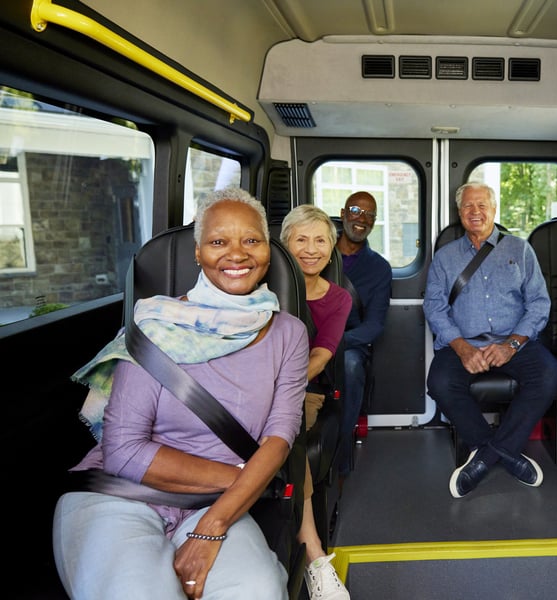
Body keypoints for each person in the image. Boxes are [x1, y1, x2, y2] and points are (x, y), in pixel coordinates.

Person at [53, 187, 309, 600]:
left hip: (216, 503)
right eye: (218, 241)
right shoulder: (154, 322)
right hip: (122, 493)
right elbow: (125, 451)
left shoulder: (289, 333)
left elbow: (280, 435)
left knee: (258, 592)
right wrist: (251, 480)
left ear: (267, 249)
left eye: (251, 240)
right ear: (197, 252)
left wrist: (213, 525)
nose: (237, 254)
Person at [424, 181, 557, 499]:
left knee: (550, 374)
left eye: (482, 205)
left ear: (494, 209)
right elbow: (433, 308)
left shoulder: (520, 249)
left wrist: (511, 344)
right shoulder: (445, 257)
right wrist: (461, 347)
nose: (476, 212)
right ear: (460, 213)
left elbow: (539, 304)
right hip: (463, 340)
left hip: (513, 340)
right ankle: (506, 453)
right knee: (440, 382)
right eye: (468, 206)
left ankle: (487, 456)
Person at [280, 204, 353, 600]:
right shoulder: (263, 286)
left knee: (287, 436)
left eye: (320, 240)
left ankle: (312, 553)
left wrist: (280, 387)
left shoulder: (338, 299)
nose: (311, 249)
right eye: (301, 240)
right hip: (248, 383)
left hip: (302, 387)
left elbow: (321, 356)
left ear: (331, 248)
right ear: (284, 245)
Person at [333, 191, 392, 478]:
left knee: (351, 365)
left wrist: (335, 345)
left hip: (349, 343)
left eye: (369, 214)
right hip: (304, 340)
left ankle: (339, 456)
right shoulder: (318, 252)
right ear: (343, 213)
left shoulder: (379, 268)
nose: (361, 218)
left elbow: (375, 325)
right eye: (356, 210)